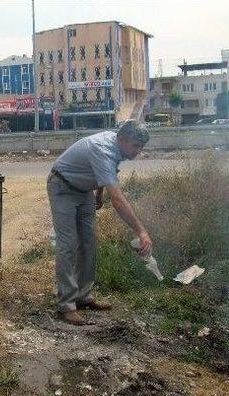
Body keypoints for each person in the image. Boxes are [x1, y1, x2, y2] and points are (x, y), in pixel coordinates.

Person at [47, 120, 153, 325]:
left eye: (142, 147)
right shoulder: (103, 150)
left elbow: (104, 172)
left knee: (89, 241)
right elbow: (119, 200)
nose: (139, 151)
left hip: (84, 190)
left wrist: (98, 193)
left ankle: (83, 296)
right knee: (68, 244)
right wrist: (142, 231)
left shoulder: (116, 144)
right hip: (62, 186)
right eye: (136, 146)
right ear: (122, 140)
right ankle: (66, 305)